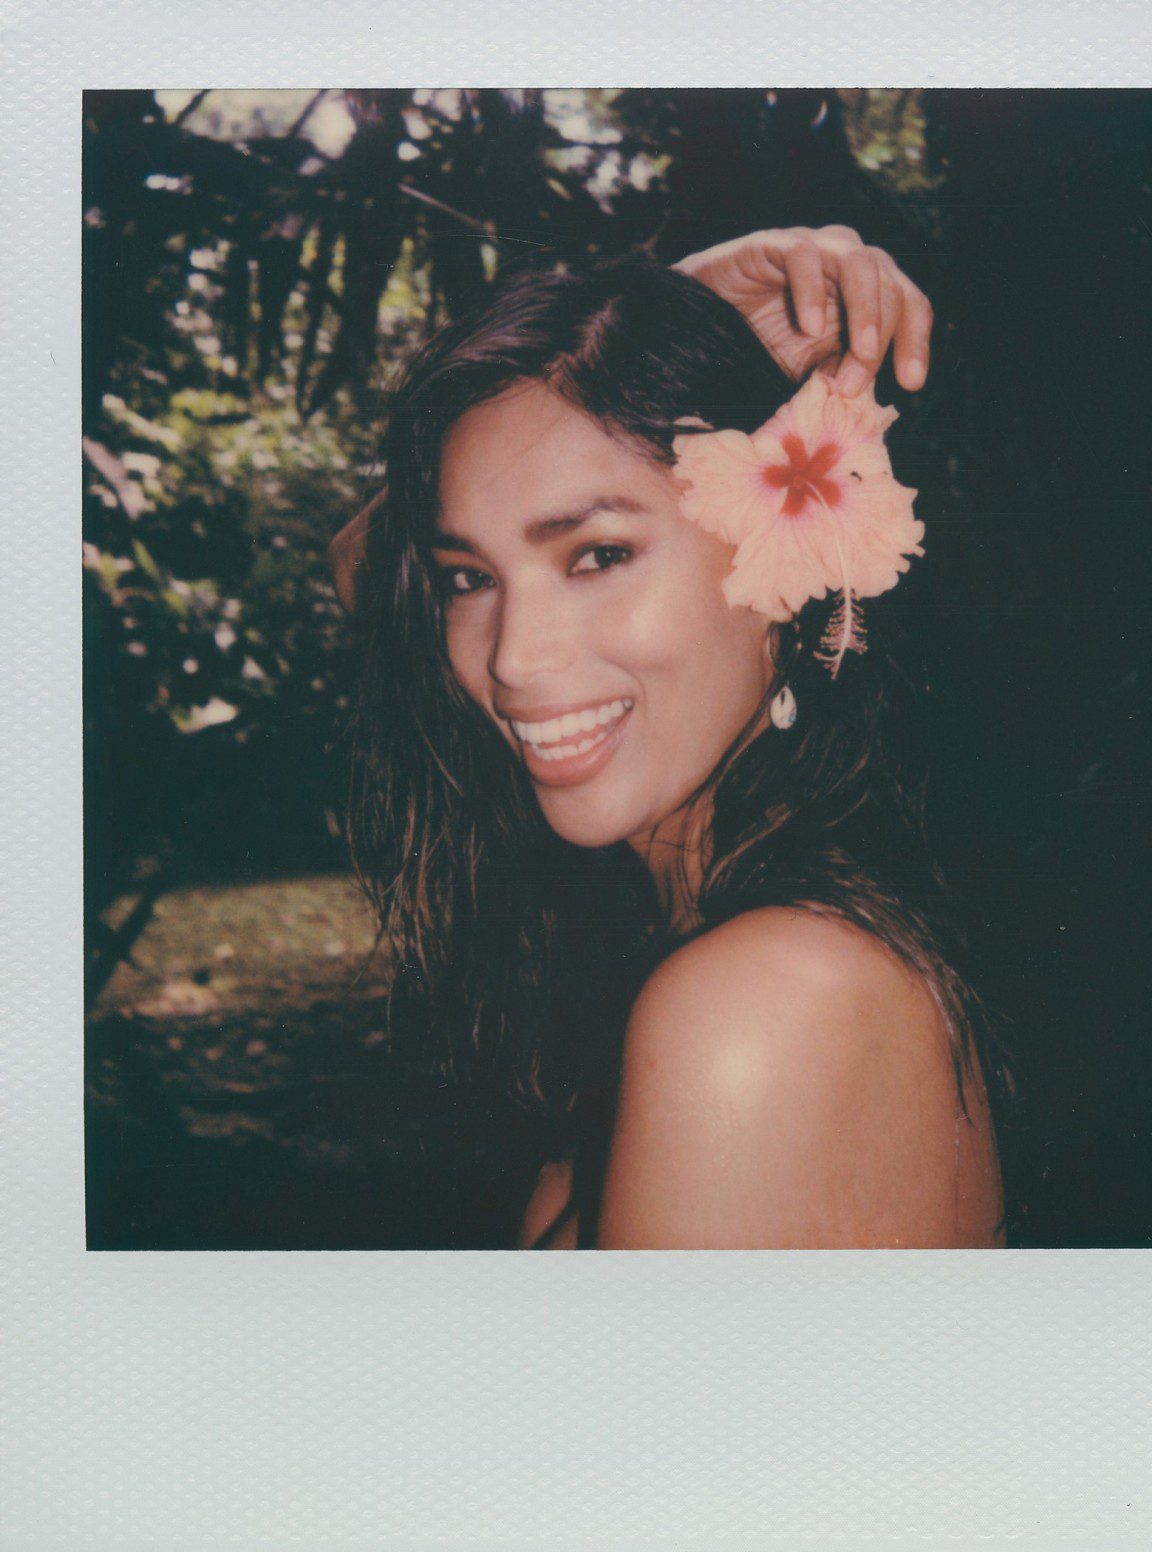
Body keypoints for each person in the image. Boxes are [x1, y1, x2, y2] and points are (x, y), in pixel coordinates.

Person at [333, 227, 1010, 1250]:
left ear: (783, 568)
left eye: (597, 556)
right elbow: (370, 577)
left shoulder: (754, 1003)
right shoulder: (764, 927)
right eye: (468, 578)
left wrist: (652, 334)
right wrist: (653, 318)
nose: (512, 657)